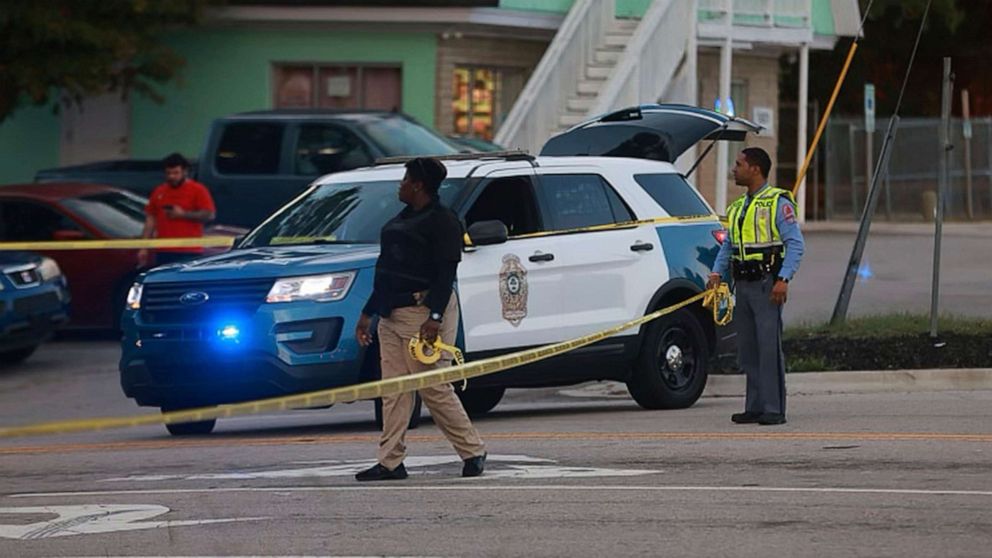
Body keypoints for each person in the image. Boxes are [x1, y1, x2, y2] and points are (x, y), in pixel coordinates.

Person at [354, 156, 486, 481]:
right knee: (394, 391)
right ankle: (390, 462)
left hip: (423, 313)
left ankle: (473, 451)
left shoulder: (443, 221)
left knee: (432, 386)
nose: (400, 185)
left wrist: (435, 317)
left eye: (404, 179)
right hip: (391, 312)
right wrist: (367, 313)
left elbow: (446, 273)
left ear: (418, 185)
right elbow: (386, 272)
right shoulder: (400, 220)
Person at [708, 147, 805, 426]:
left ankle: (773, 408)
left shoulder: (777, 203)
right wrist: (717, 273)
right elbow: (729, 245)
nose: (733, 169)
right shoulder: (738, 207)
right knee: (748, 348)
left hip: (767, 284)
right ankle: (754, 406)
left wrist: (783, 279)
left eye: (738, 164)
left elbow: (796, 245)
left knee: (767, 346)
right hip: (743, 284)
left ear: (755, 169)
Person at [138, 153, 216, 268]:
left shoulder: (198, 190)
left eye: (176, 173)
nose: (171, 177)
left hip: (189, 250)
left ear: (185, 172)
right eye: (168, 173)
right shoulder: (159, 191)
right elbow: (151, 220)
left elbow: (209, 215)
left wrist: (183, 215)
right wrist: (143, 247)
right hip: (163, 249)